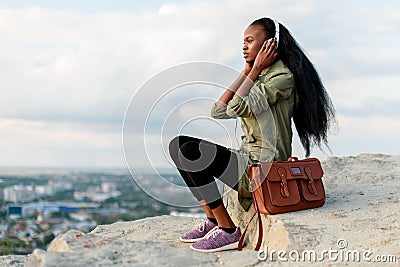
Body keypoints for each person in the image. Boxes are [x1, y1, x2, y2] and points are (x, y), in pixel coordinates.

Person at [169, 17, 335, 252]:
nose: (244, 46)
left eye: (250, 41)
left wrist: (254, 70)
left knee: (190, 151)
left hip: (263, 170)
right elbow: (218, 111)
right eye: (243, 42)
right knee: (179, 145)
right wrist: (247, 71)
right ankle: (214, 220)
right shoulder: (258, 76)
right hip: (247, 162)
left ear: (269, 45)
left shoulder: (282, 79)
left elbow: (238, 107)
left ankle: (229, 232)